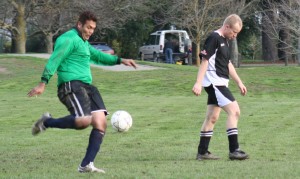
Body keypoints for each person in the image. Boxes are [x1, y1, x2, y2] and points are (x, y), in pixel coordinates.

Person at [27, 11, 137, 173]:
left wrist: (120, 60)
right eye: (88, 27)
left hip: (88, 87)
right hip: (71, 85)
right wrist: (43, 83)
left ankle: (86, 165)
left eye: (93, 28)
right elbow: (54, 59)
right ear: (79, 24)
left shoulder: (83, 43)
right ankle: (46, 122)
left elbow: (98, 56)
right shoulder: (68, 39)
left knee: (100, 123)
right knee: (83, 121)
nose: (91, 31)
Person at [192, 14, 248, 161]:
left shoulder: (225, 41)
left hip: (220, 83)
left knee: (212, 117)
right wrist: (198, 82)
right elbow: (204, 61)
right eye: (234, 32)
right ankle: (234, 150)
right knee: (235, 111)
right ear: (227, 26)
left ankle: (202, 152)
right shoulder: (214, 38)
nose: (235, 36)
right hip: (215, 83)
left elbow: (228, 64)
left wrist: (239, 82)